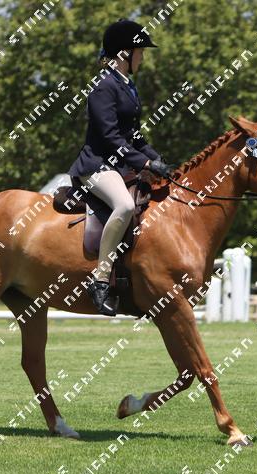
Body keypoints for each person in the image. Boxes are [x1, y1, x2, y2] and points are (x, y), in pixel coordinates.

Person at [68, 19, 174, 316]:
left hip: (117, 166)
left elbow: (133, 135)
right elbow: (110, 136)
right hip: (95, 166)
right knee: (125, 205)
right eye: (141, 52)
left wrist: (158, 159)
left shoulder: (127, 86)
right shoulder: (103, 86)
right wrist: (144, 163)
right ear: (125, 53)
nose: (143, 58)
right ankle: (100, 280)